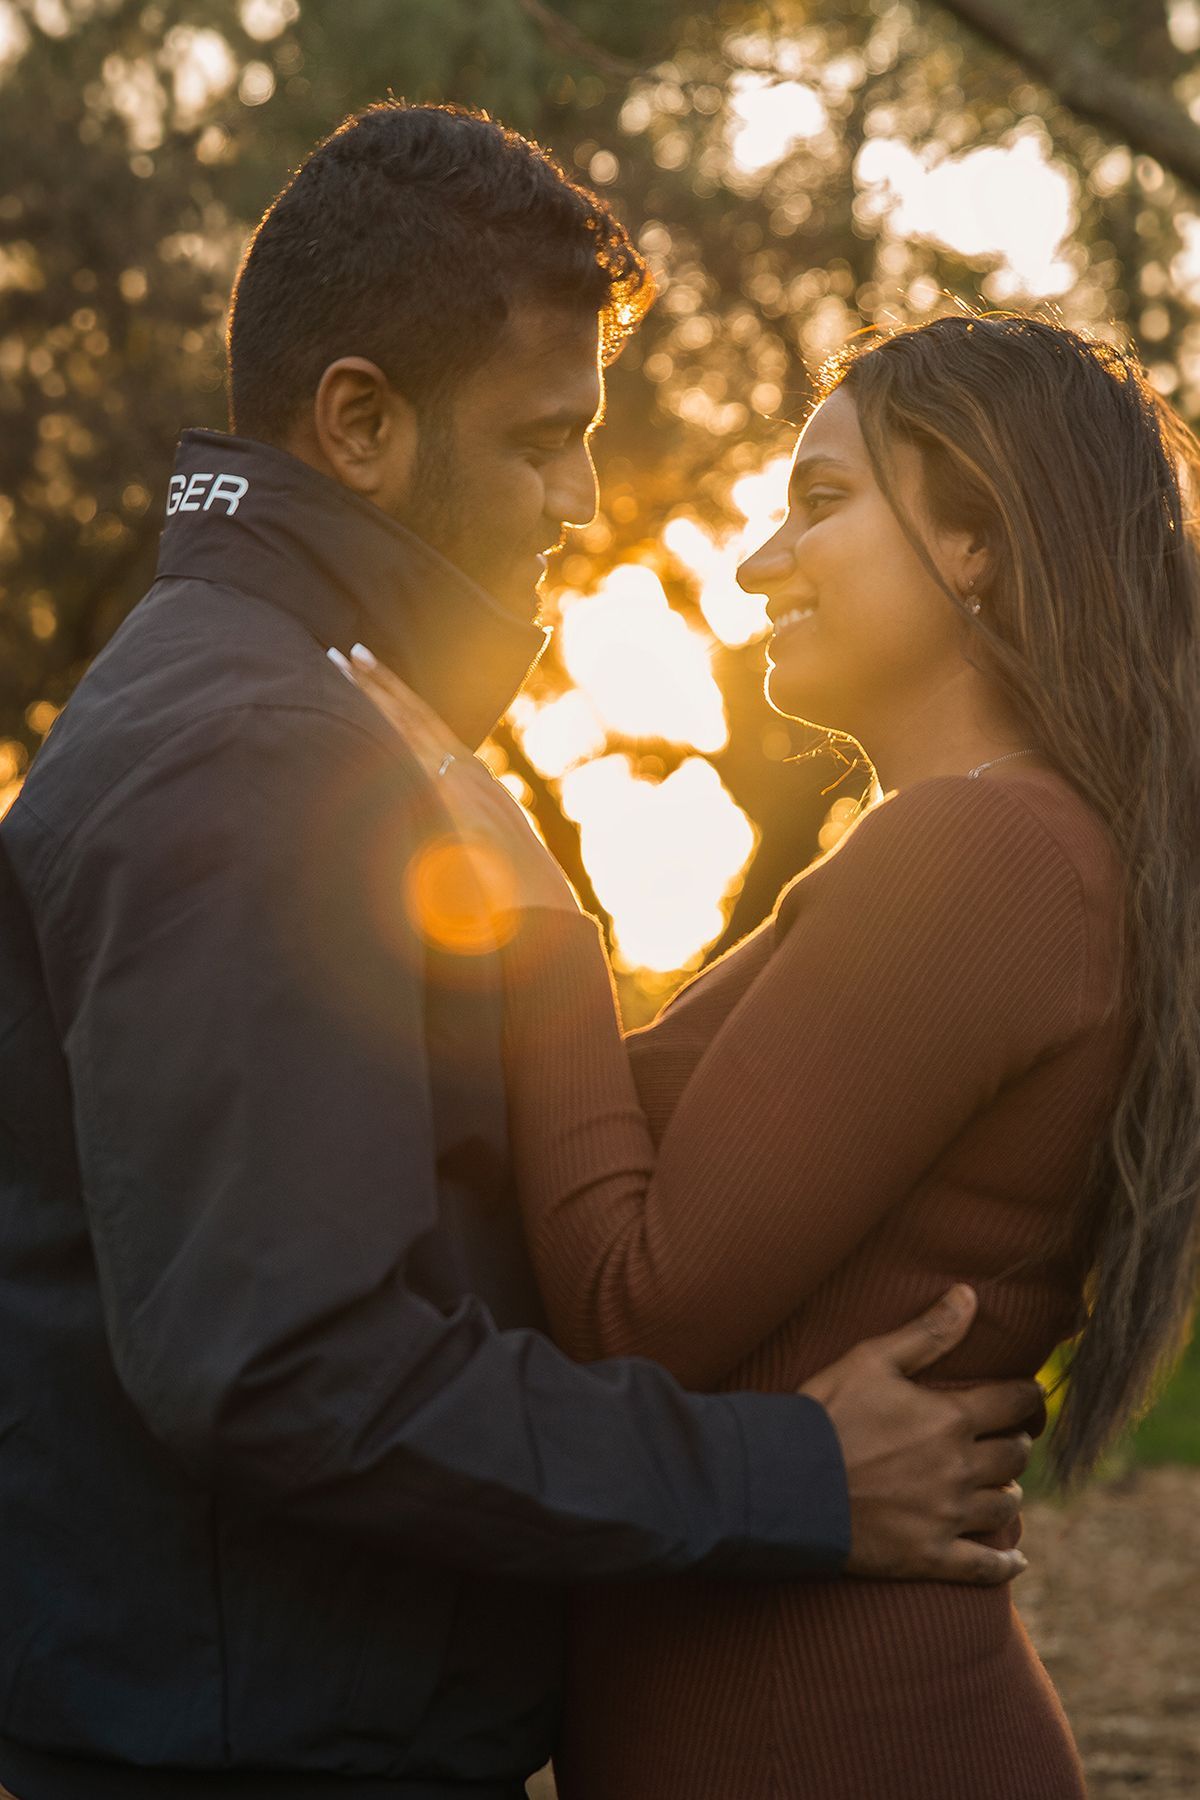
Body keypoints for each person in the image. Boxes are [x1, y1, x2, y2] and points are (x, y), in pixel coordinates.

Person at [0, 107, 1038, 1799]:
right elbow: (291, 1367)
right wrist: (794, 1479)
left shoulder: (306, 707)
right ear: (360, 422)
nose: (584, 499)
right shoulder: (254, 751)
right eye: (546, 440)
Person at [353, 312, 1200, 1799]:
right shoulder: (993, 848)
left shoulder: (983, 854)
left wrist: (543, 922)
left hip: (846, 1738)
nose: (756, 564)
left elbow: (632, 1307)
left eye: (820, 502)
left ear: (979, 540)